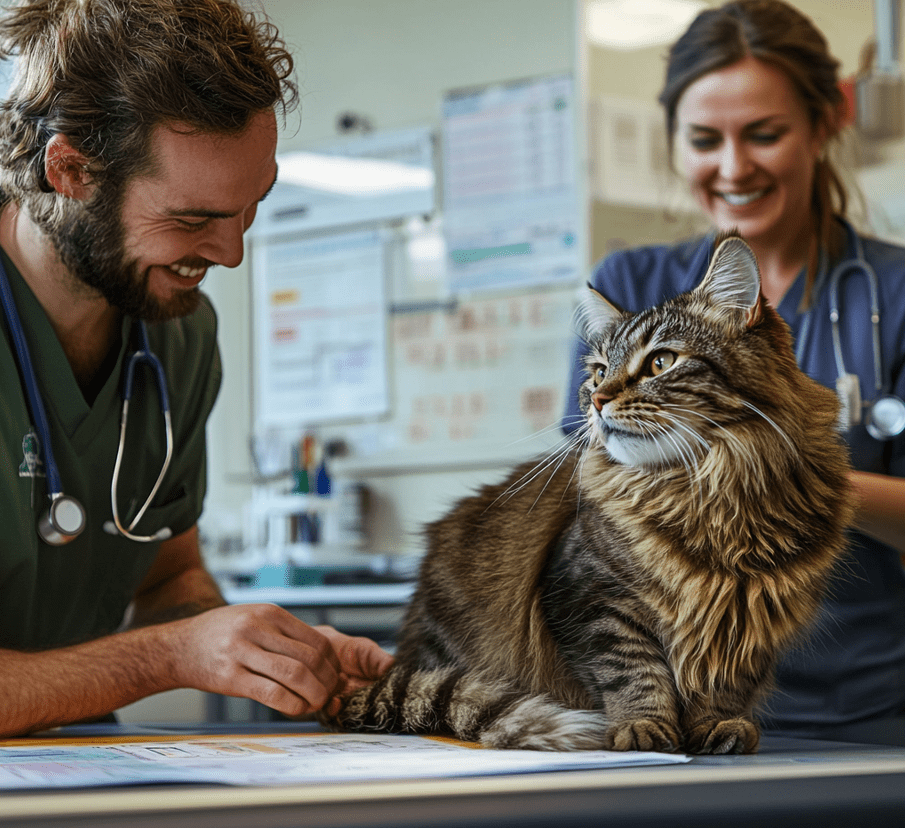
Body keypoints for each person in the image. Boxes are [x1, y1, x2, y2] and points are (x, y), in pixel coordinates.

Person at [0, 0, 393, 738]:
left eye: (251, 208)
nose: (230, 254)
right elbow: (163, 647)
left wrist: (252, 648)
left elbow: (168, 577)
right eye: (192, 219)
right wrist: (170, 657)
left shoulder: (177, 334)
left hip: (79, 772)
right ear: (72, 171)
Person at [564, 0, 905, 744]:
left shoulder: (896, 293)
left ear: (822, 127)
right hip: (665, 706)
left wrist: (793, 474)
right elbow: (584, 496)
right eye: (702, 140)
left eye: (764, 134)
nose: (731, 166)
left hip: (858, 712)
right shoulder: (627, 285)